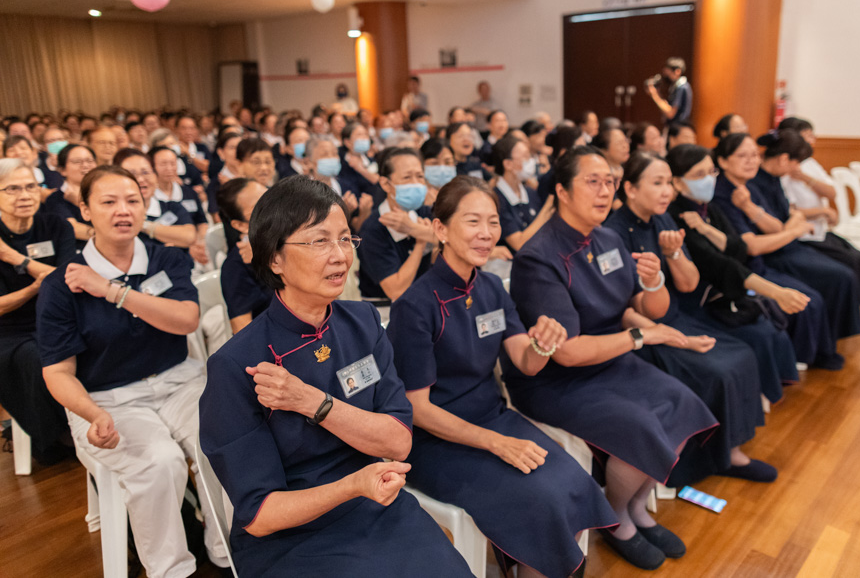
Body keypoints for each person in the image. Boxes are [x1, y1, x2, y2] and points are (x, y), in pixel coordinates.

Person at [199, 175, 472, 577]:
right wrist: (352, 486)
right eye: (319, 241)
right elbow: (259, 515)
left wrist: (314, 403)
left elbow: (398, 441)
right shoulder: (238, 363)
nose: (340, 256)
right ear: (275, 259)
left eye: (345, 239)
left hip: (375, 501)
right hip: (294, 538)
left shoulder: (363, 322)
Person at [387, 176, 617, 578]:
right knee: (540, 502)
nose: (486, 233)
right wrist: (495, 443)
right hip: (437, 441)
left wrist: (543, 345)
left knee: (573, 481)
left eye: (493, 222)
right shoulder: (415, 305)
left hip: (494, 418)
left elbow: (525, 362)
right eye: (473, 221)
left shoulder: (491, 286)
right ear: (441, 229)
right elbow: (417, 410)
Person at [505, 146, 720, 570]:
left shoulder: (607, 238)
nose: (605, 191)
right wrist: (641, 335)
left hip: (611, 360)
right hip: (556, 380)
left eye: (610, 182)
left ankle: (637, 506)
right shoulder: (538, 256)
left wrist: (654, 283)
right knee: (638, 425)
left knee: (681, 401)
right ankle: (616, 515)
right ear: (562, 191)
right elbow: (567, 352)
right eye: (592, 182)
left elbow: (641, 306)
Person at [38, 165, 229, 577]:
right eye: (108, 202)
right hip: (107, 398)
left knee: (220, 440)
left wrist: (111, 291)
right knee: (160, 461)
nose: (122, 210)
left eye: (132, 201)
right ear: (85, 211)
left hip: (178, 381)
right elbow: (58, 372)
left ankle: (228, 552)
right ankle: (170, 571)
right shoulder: (61, 283)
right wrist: (92, 414)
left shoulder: (165, 258)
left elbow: (186, 320)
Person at [609, 152, 795, 414]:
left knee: (743, 354)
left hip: (674, 312)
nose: (667, 191)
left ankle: (734, 437)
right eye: (657, 183)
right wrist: (677, 338)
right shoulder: (614, 233)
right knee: (720, 370)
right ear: (630, 189)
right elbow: (625, 310)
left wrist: (673, 254)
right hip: (646, 328)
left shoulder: (662, 218)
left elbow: (689, 283)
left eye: (668, 183)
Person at [666, 144, 806, 391]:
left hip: (726, 292)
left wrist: (707, 229)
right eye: (699, 175)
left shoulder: (708, 208)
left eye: (711, 172)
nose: (709, 179)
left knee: (772, 328)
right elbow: (721, 265)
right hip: (698, 301)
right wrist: (776, 292)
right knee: (759, 337)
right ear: (677, 182)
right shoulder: (678, 216)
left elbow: (739, 249)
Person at [712, 134, 850, 369]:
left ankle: (814, 354)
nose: (752, 161)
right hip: (747, 268)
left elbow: (776, 226)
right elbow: (752, 246)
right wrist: (793, 231)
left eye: (754, 155)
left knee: (828, 283)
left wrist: (750, 208)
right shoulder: (722, 194)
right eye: (743, 156)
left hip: (767, 256)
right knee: (811, 300)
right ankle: (802, 360)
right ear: (723, 161)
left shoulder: (746, 188)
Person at [747, 131, 860, 341]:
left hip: (790, 244)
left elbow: (791, 215)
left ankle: (830, 335)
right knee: (839, 277)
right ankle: (825, 339)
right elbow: (779, 226)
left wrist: (794, 222)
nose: (797, 168)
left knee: (845, 270)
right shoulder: (755, 184)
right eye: (796, 163)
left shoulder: (774, 179)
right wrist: (793, 226)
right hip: (776, 252)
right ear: (784, 159)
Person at [0, 159, 74, 465]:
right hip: (8, 330)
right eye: (12, 189)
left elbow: (68, 278)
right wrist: (33, 288)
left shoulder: (55, 225)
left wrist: (14, 257)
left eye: (30, 186)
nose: (24, 195)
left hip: (56, 317)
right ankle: (60, 434)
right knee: (35, 358)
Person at [778, 118, 860, 301]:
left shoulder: (809, 164)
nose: (812, 140)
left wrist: (805, 178)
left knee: (858, 257)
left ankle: (859, 301)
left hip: (820, 230)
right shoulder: (783, 170)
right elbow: (788, 209)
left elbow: (832, 192)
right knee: (847, 265)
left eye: (811, 135)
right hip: (804, 236)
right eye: (807, 136)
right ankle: (851, 303)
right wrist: (822, 212)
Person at [357, 148, 435, 302]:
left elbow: (454, 241)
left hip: (422, 300)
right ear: (386, 184)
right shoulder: (373, 229)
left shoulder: (424, 212)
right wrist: (421, 243)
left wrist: (416, 229)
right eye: (407, 177)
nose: (416, 183)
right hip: (385, 307)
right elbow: (396, 290)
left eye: (420, 176)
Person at [217, 178, 270, 334]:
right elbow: (243, 333)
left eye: (270, 198)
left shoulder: (293, 240)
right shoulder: (236, 267)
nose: (272, 209)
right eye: (258, 209)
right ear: (240, 225)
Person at [114, 149, 196, 250]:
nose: (140, 179)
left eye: (145, 172)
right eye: (132, 174)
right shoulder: (115, 215)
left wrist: (143, 225)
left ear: (155, 176)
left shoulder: (172, 207)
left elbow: (189, 237)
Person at [491, 135, 554, 252]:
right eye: (525, 157)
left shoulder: (530, 193)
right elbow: (518, 244)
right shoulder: (495, 199)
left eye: (529, 156)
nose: (530, 161)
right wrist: (547, 208)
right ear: (508, 164)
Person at [151, 146, 210, 267]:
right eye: (163, 164)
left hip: (196, 249)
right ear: (152, 167)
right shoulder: (150, 198)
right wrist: (185, 245)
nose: (169, 168)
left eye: (173, 163)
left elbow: (201, 221)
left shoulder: (189, 192)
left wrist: (199, 242)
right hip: (166, 255)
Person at [42, 143, 97, 248]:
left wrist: (78, 201)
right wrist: (109, 236)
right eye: (77, 162)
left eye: (90, 161)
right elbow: (74, 229)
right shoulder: (55, 199)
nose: (85, 165)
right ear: (62, 170)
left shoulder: (105, 194)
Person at [646, 58, 692, 127]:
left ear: (677, 71)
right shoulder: (678, 86)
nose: (666, 77)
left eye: (668, 74)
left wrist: (654, 94)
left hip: (678, 128)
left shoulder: (681, 88)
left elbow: (670, 113)